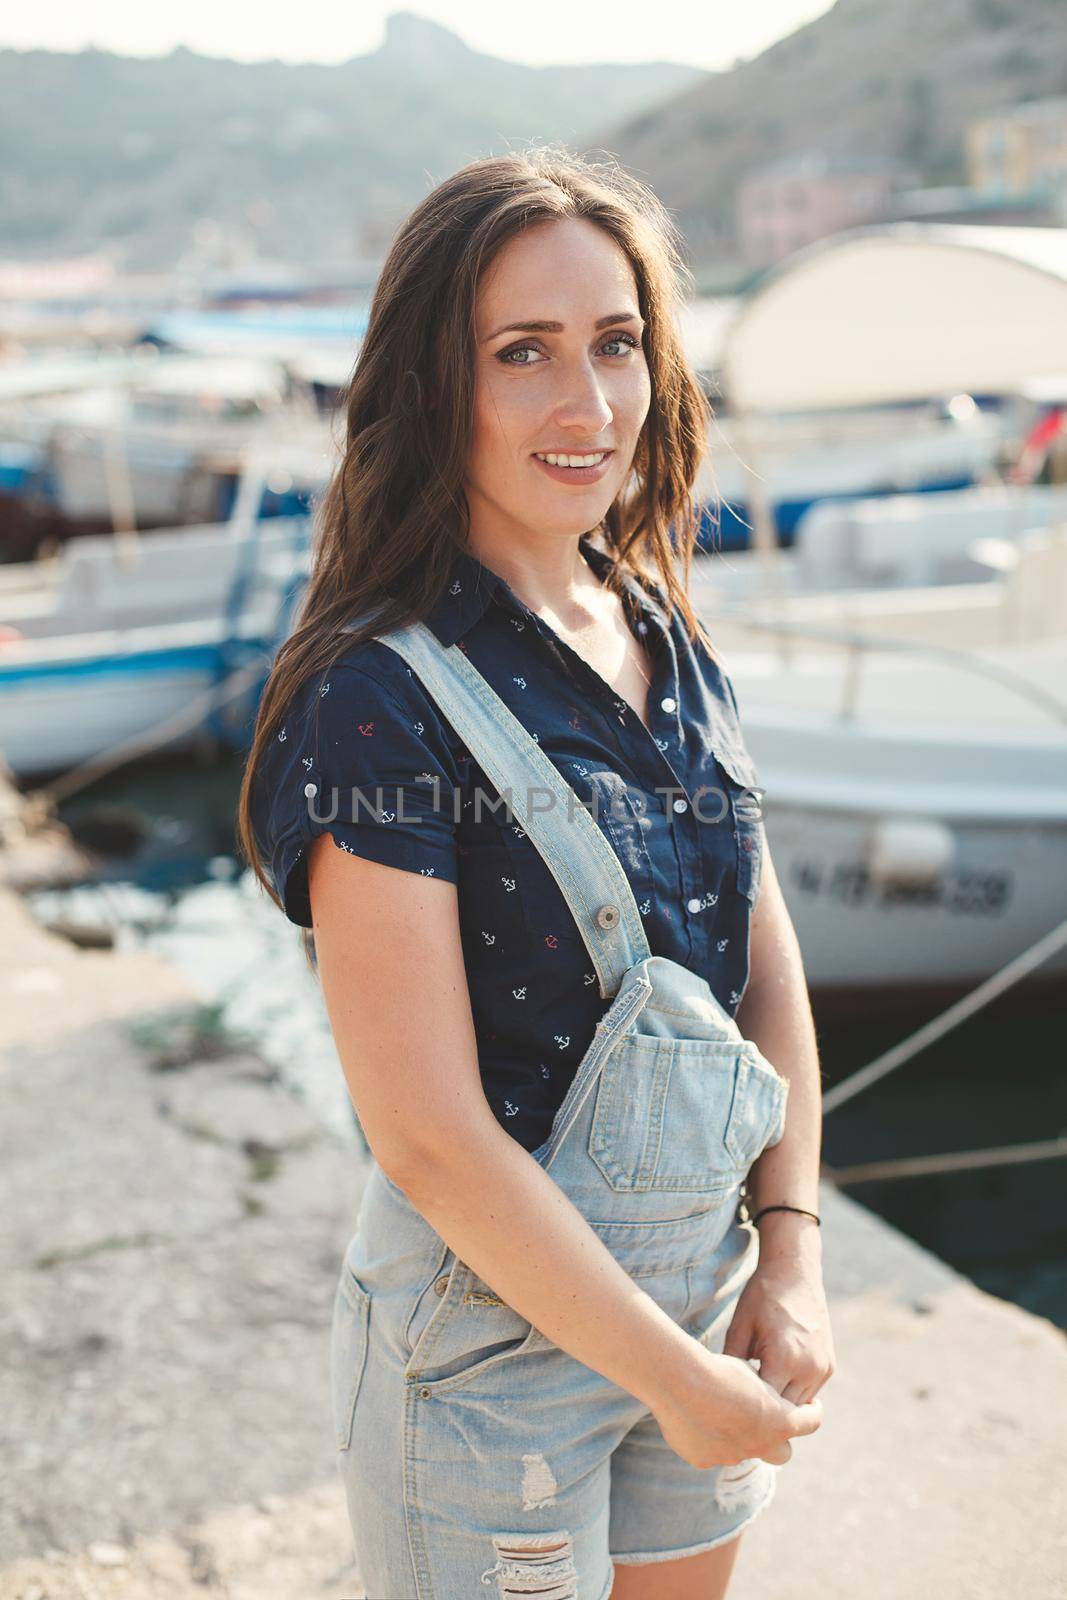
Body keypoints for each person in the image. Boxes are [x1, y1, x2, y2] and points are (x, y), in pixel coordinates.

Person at [237, 143, 834, 1600]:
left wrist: (795, 1249)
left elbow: (763, 959)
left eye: (617, 345)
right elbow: (429, 1136)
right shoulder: (373, 700)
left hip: (699, 1298)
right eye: (525, 354)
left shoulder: (657, 624)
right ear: (437, 384)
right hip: (484, 1361)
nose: (590, 405)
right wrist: (678, 1385)